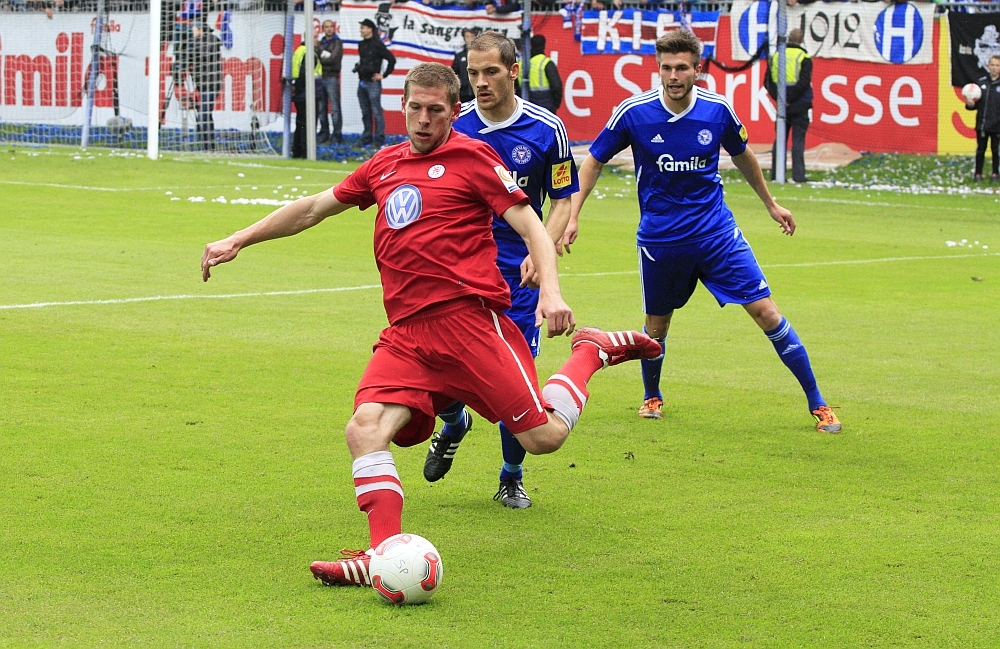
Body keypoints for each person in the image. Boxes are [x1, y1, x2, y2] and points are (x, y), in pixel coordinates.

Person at [200, 62, 660, 587]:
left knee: (544, 437)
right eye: (415, 108)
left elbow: (532, 226)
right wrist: (239, 238)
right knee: (365, 429)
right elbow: (311, 209)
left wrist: (551, 291)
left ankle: (591, 352)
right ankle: (381, 556)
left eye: (435, 110)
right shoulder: (384, 164)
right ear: (403, 107)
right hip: (407, 335)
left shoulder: (474, 158)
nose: (423, 119)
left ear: (454, 112)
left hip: (468, 327)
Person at [567, 30, 841, 434]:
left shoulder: (717, 110)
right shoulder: (633, 112)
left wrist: (771, 204)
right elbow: (593, 160)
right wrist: (573, 214)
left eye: (681, 68)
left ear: (698, 69)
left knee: (767, 313)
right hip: (661, 241)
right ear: (658, 69)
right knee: (657, 328)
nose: (673, 76)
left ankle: (818, 403)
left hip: (717, 235)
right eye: (666, 68)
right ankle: (652, 396)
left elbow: (743, 155)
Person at [423, 31, 579, 509]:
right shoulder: (456, 126)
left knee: (516, 378)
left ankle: (511, 476)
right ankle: (455, 423)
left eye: (490, 71)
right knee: (436, 367)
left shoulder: (546, 128)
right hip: (458, 269)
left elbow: (563, 199)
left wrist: (541, 247)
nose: (480, 82)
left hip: (518, 276)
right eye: (473, 73)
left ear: (513, 72)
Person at [765, 28, 812, 184]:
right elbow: (804, 83)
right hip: (800, 104)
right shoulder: (804, 57)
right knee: (798, 141)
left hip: (782, 105)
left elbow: (768, 82)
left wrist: (781, 99)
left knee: (780, 140)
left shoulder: (776, 56)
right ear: (801, 40)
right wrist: (790, 99)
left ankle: (776, 175)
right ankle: (798, 176)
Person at [356, 18, 396, 148]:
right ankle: (367, 137)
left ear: (370, 29)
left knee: (376, 111)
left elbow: (391, 59)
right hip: (362, 81)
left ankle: (379, 138)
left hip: (373, 83)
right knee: (365, 112)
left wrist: (383, 75)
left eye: (362, 28)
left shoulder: (377, 44)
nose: (361, 30)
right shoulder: (361, 44)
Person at [291, 35, 326, 159]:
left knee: (300, 123)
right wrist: (300, 89)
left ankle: (297, 151)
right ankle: (306, 152)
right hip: (308, 93)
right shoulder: (310, 54)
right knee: (308, 124)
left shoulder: (299, 50)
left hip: (301, 93)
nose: (317, 40)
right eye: (315, 37)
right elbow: (304, 74)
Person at [965, 55, 1000, 182]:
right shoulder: (981, 83)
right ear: (988, 66)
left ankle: (995, 174)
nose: (994, 68)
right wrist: (970, 104)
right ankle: (978, 174)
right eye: (992, 65)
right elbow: (974, 105)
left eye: (997, 65)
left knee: (996, 151)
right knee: (980, 150)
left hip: (997, 126)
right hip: (983, 124)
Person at [189, 23, 222, 152]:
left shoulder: (210, 40)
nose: (192, 33)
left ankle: (208, 146)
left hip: (211, 84)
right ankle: (209, 147)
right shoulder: (202, 42)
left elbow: (202, 55)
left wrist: (191, 47)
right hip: (204, 84)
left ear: (200, 30)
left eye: (194, 30)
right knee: (206, 115)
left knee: (203, 115)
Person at [317, 20, 344, 144]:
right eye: (326, 27)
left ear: (334, 28)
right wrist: (325, 57)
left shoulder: (337, 42)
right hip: (320, 77)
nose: (329, 29)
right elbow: (317, 58)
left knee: (335, 108)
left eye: (331, 26)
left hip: (332, 77)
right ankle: (324, 132)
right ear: (323, 29)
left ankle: (337, 135)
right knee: (321, 108)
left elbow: (334, 59)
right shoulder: (320, 42)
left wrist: (323, 58)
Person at [526, 34, 562, 114]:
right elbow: (557, 86)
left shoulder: (522, 64)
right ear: (544, 46)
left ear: (531, 45)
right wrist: (555, 105)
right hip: (546, 105)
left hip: (527, 106)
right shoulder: (546, 63)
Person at [451, 28, 477, 104]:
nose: (470, 39)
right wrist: (460, 84)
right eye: (467, 36)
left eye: (472, 36)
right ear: (464, 39)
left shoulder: (481, 55)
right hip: (464, 92)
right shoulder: (459, 56)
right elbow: (454, 72)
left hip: (477, 89)